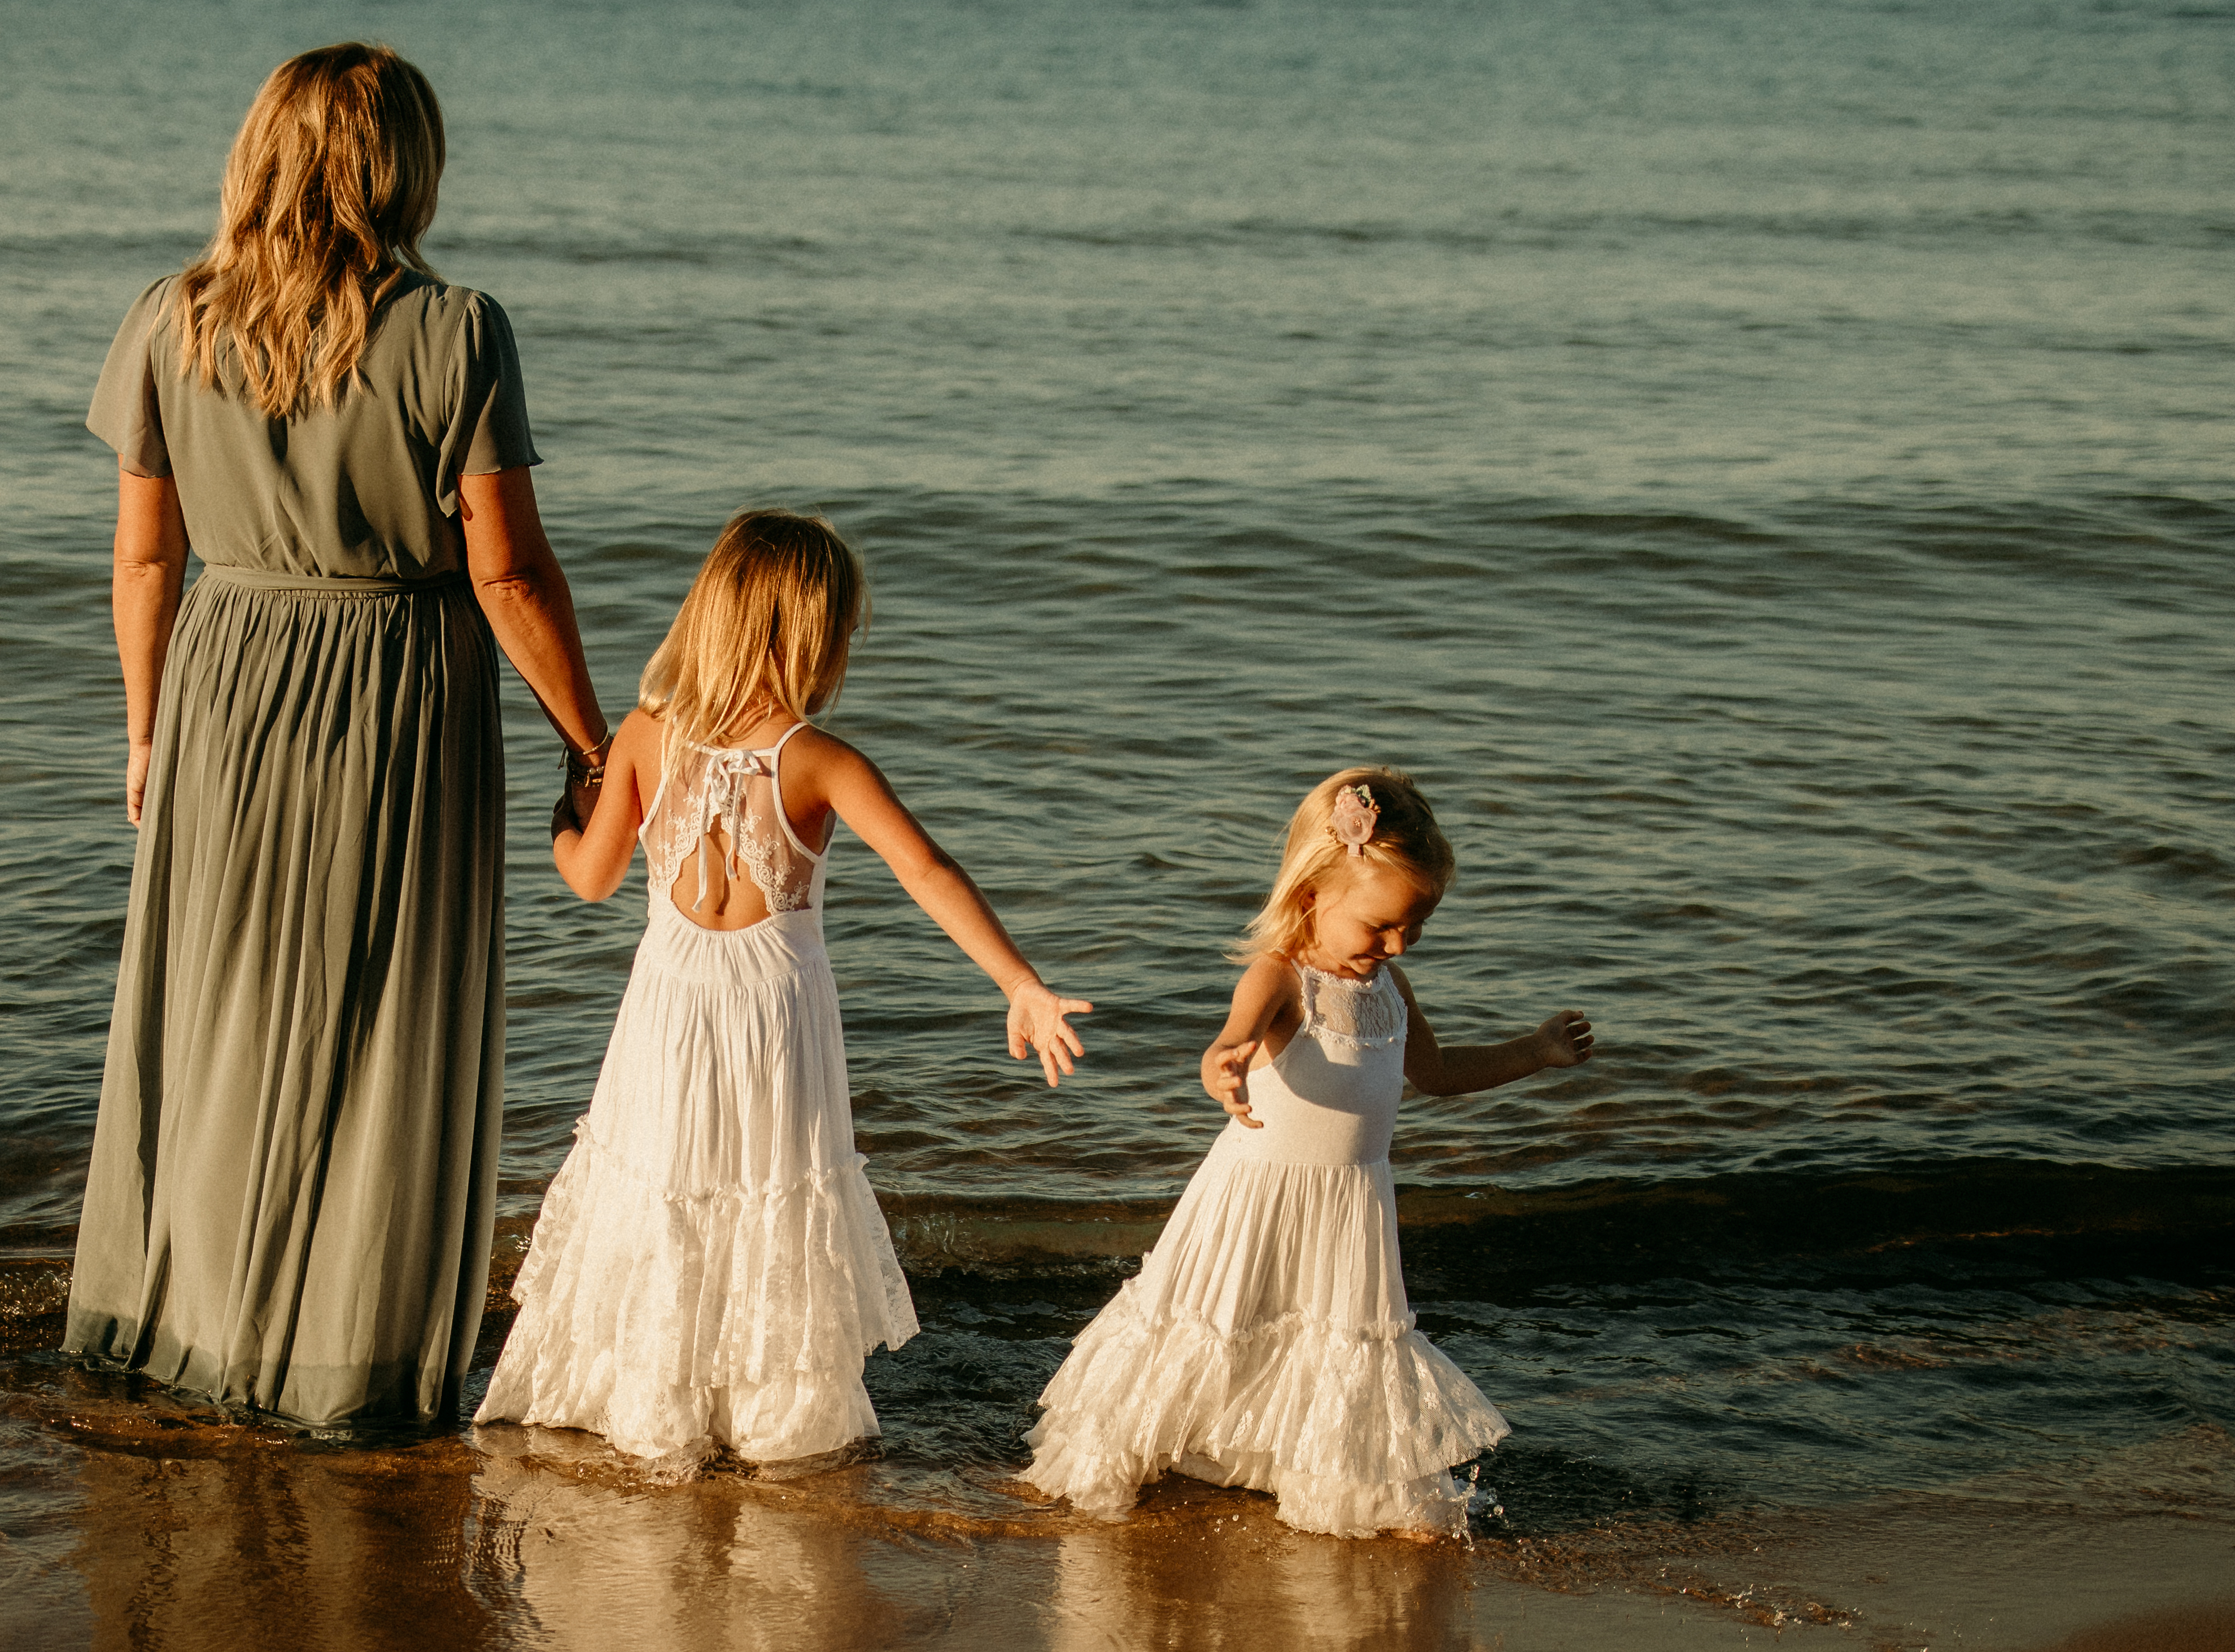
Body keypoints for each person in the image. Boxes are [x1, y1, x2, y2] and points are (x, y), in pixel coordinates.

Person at [66, 42, 608, 1430]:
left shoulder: (168, 319)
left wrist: (142, 732)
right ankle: (341, 1362)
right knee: (381, 1018)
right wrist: (594, 741)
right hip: (399, 684)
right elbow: (508, 575)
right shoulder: (455, 328)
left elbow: (143, 562)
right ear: (402, 165)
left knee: (218, 1010)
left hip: (225, 682)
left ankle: (181, 1326)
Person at [476, 509, 1089, 1472]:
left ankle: (652, 1401)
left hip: (670, 1010)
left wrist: (570, 808)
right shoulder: (818, 760)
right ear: (813, 634)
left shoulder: (647, 735)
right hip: (772, 1013)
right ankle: (768, 1418)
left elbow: (589, 878)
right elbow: (926, 869)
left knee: (668, 1179)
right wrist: (1020, 984)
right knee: (768, 1187)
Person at [1023, 767, 1596, 1538]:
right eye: (1379, 927)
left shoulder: (1392, 987)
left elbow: (1435, 1074)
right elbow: (1229, 1040)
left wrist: (1533, 1051)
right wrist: (1222, 1065)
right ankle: (1134, 1455)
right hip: (1256, 1197)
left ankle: (1343, 1487)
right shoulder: (1282, 978)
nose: (1395, 946)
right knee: (1216, 1322)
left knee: (1331, 1343)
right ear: (1309, 898)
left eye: (1412, 929)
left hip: (1349, 1208)